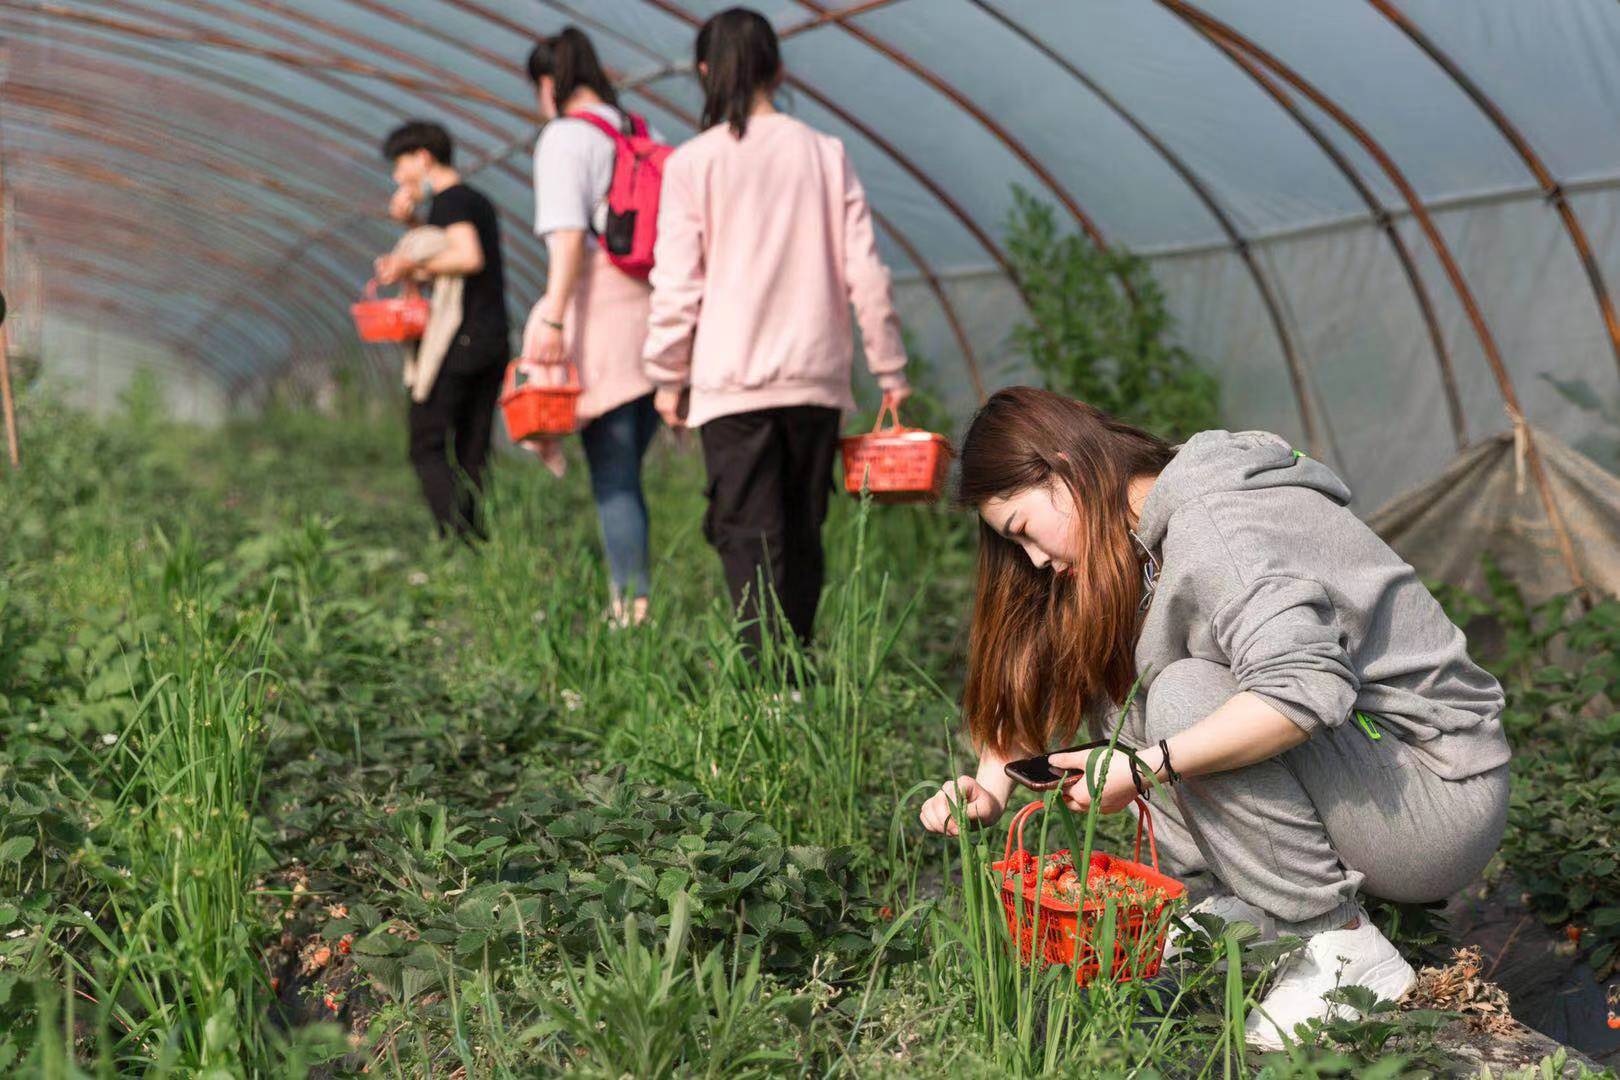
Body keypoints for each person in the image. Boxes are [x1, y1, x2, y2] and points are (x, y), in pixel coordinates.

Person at [918, 388, 1510, 1049]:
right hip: (1372, 783)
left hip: (1432, 794)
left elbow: (1302, 690)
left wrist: (1146, 767)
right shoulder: (1131, 534)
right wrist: (989, 789)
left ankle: (1344, 952)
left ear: (1063, 468)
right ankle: (1246, 906)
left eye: (1024, 530)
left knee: (1183, 696)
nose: (1032, 559)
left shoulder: (1217, 520)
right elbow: (1038, 664)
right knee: (1142, 673)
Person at [642, 7, 910, 654]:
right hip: (814, 379)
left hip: (731, 381)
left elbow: (677, 284)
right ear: (779, 69)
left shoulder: (692, 164)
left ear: (705, 72)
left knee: (745, 528)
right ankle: (794, 666)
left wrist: (665, 374)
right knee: (800, 524)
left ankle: (770, 683)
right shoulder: (825, 152)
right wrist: (889, 370)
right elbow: (866, 274)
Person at [521, 28, 663, 627]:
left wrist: (553, 315)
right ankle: (634, 599)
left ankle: (630, 610)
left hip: (601, 316)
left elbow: (569, 238)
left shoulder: (565, 136)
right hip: (657, 314)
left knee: (613, 472)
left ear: (550, 84)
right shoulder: (639, 132)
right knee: (626, 461)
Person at [375, 120, 509, 539]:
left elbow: (468, 258)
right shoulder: (474, 201)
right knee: (473, 446)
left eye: (401, 165)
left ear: (423, 157)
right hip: (491, 337)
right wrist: (413, 223)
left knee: (426, 441)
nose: (398, 176)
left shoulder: (451, 201)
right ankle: (477, 540)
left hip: (461, 339)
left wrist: (408, 266)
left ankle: (456, 537)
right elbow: (453, 252)